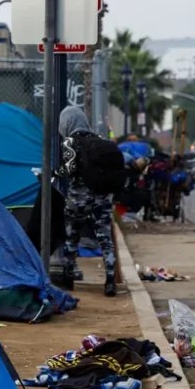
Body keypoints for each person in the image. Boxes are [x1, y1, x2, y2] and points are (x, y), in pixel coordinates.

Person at [56, 106, 125, 297]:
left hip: (79, 198)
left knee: (72, 236)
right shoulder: (100, 141)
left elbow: (69, 170)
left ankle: (68, 277)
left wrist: (52, 173)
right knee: (104, 238)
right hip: (102, 196)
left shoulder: (70, 141)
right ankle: (110, 281)